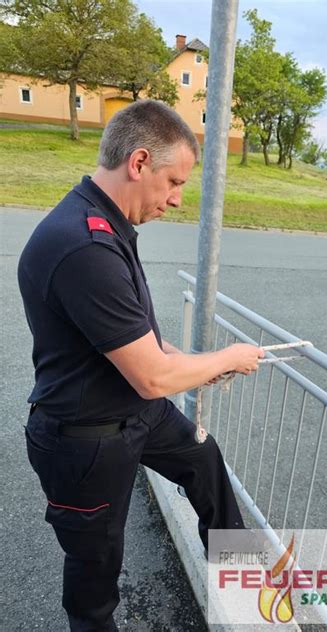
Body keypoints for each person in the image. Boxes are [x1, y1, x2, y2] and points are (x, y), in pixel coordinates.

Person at [18, 99, 264, 631]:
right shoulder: (84, 245)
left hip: (134, 413)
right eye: (173, 182)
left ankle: (246, 589)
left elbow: (145, 342)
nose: (177, 200)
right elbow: (152, 374)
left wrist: (200, 365)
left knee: (203, 461)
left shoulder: (107, 223)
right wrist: (229, 357)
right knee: (96, 575)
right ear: (139, 162)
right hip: (86, 441)